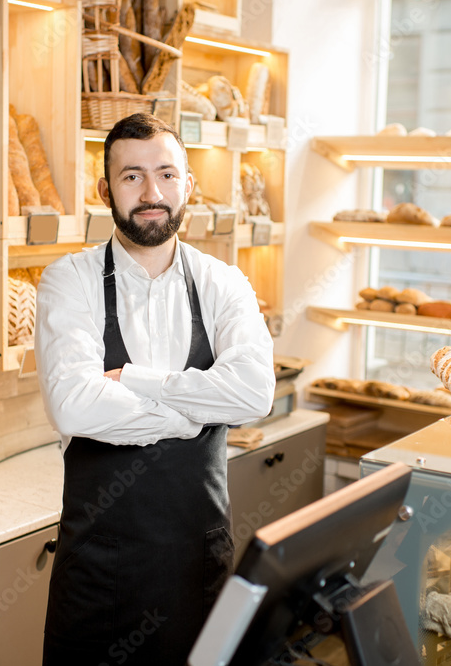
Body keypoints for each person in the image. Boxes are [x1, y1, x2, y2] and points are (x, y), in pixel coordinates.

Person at [35, 112, 275, 665]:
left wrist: (139, 382)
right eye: (131, 176)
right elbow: (73, 406)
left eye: (167, 175)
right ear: (105, 191)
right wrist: (198, 411)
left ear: (188, 185)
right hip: (99, 575)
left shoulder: (223, 282)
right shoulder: (69, 280)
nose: (152, 193)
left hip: (200, 563)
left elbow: (254, 395)